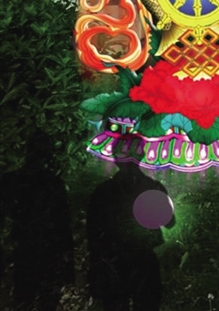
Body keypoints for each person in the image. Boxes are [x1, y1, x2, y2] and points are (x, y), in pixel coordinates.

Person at [87, 153, 174, 311]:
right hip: (143, 260)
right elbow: (169, 222)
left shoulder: (103, 191)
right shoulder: (152, 187)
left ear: (116, 159)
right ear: (141, 156)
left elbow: (93, 232)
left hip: (114, 262)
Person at [0, 131, 75, 311]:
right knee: (38, 301)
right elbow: (63, 226)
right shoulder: (52, 183)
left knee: (25, 300)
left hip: (28, 253)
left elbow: (63, 225)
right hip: (41, 254)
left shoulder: (13, 181)